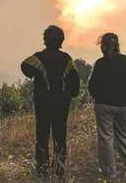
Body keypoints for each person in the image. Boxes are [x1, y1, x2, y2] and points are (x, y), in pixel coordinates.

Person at [20, 25, 80, 178]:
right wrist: (70, 94)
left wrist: (35, 74)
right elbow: (75, 83)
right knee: (60, 135)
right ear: (61, 41)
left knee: (42, 135)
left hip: (43, 103)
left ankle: (42, 170)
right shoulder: (66, 58)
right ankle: (59, 169)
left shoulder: (38, 57)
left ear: (45, 40)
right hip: (61, 103)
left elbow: (25, 66)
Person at [88, 33, 126, 177]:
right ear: (117, 45)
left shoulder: (100, 63)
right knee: (123, 134)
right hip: (123, 103)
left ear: (103, 46)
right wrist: (122, 90)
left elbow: (92, 86)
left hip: (104, 104)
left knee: (106, 137)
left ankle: (110, 171)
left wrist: (96, 95)